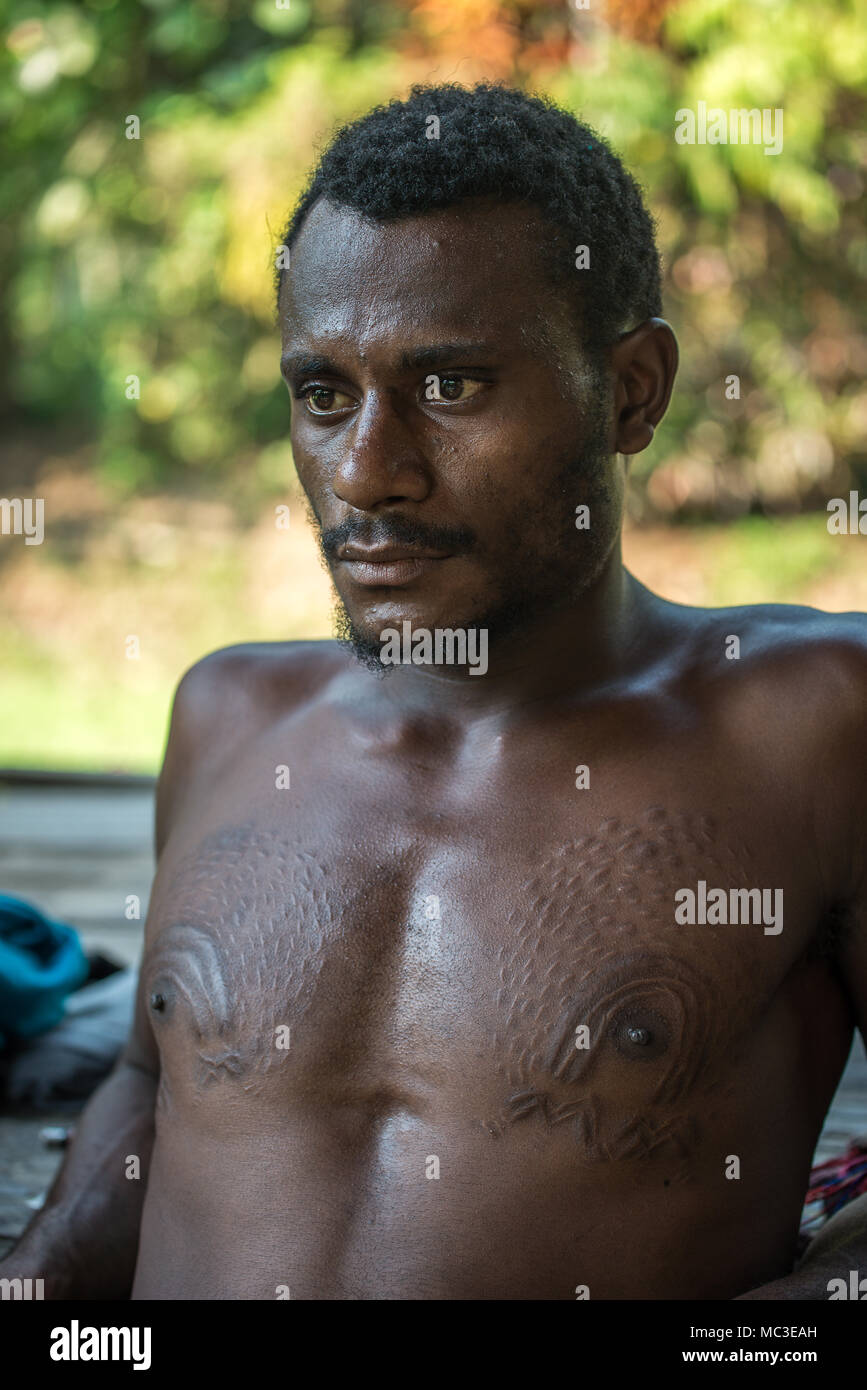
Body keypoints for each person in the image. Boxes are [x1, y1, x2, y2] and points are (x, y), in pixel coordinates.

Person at [4, 82, 866, 1300]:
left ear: (633, 390)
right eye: (323, 395)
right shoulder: (230, 719)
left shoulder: (815, 725)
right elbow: (152, 1091)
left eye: (451, 387)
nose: (367, 472)